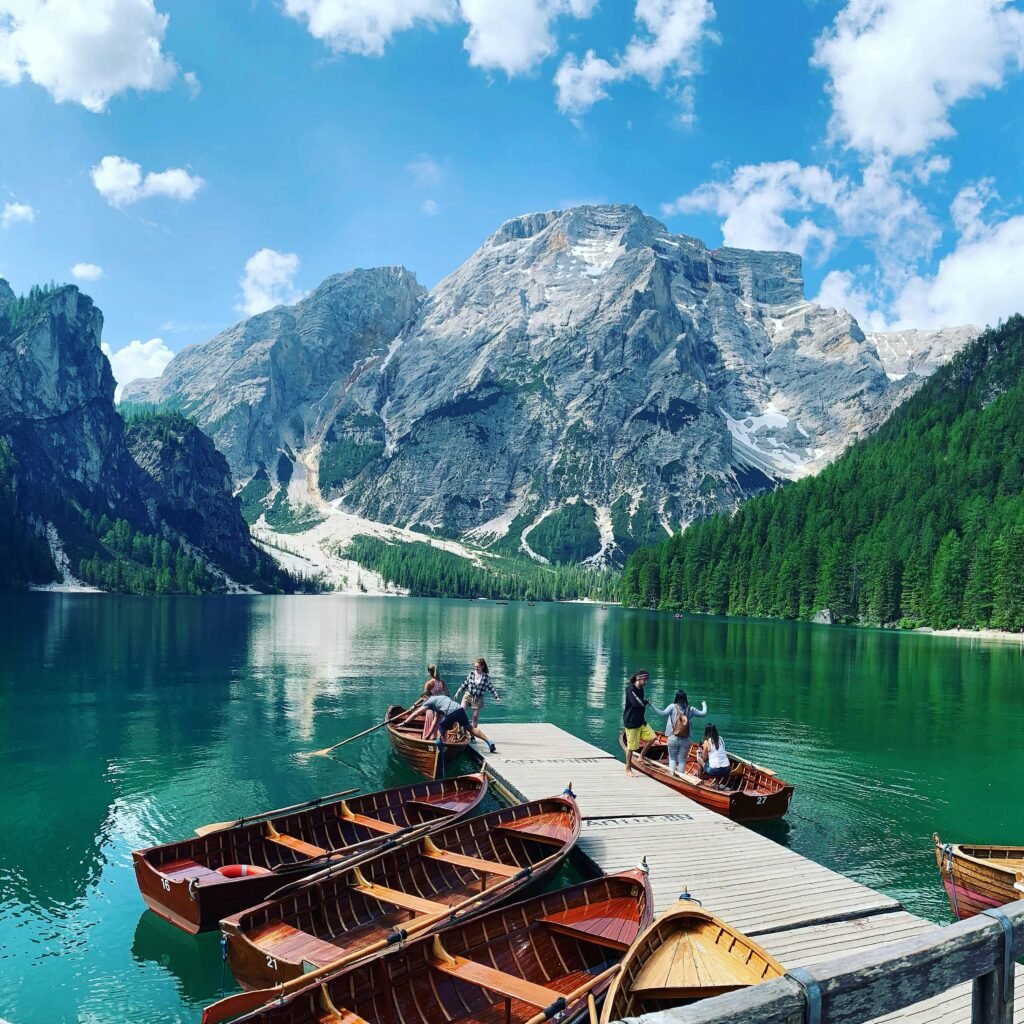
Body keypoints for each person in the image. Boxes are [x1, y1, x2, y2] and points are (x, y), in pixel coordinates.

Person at [407, 691, 497, 754]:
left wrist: (404, 723)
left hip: (451, 712)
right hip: (459, 709)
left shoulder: (429, 701)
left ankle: (440, 748)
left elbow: (416, 713)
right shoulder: (440, 699)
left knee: (440, 729)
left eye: (422, 700)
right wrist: (426, 737)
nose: (423, 703)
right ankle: (489, 741)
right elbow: (435, 721)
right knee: (470, 728)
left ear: (425, 698)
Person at [650, 689, 707, 776]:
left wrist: (651, 705)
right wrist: (704, 704)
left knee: (672, 758)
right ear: (685, 698)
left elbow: (661, 714)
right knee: (682, 760)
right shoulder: (691, 709)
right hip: (686, 739)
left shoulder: (672, 707)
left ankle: (672, 775)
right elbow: (704, 713)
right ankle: (681, 777)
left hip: (673, 738)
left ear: (676, 698)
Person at [623, 670, 655, 777]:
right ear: (638, 679)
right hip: (631, 722)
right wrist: (645, 702)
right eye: (644, 680)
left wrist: (645, 702)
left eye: (646, 680)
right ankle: (628, 768)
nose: (646, 682)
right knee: (631, 748)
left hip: (641, 721)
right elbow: (637, 703)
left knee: (652, 738)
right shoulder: (630, 689)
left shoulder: (641, 689)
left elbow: (640, 702)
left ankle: (641, 756)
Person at [453, 657, 500, 728]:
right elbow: (464, 684)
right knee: (461, 711)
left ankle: (473, 734)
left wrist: (496, 696)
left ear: (482, 666)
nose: (476, 668)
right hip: (468, 695)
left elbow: (491, 688)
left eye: (478, 667)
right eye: (475, 666)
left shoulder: (485, 677)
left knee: (474, 717)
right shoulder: (471, 674)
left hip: (478, 698)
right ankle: (460, 729)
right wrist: (458, 692)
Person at [419, 664, 449, 739]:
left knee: (430, 724)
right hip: (441, 708)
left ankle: (429, 738)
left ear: (429, 672)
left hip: (431, 708)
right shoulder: (442, 682)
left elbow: (425, 698)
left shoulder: (428, 683)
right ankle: (440, 739)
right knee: (439, 724)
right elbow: (447, 695)